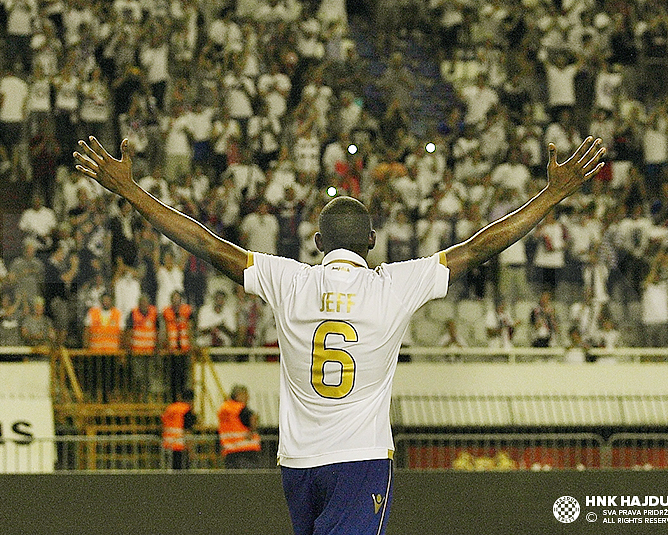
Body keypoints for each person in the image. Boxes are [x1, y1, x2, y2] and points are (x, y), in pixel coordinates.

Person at [74, 134, 604, 535]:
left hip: (298, 466)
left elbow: (208, 245)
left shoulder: (288, 280)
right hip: (361, 461)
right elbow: (479, 245)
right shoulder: (394, 285)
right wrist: (551, 196)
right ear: (373, 242)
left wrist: (130, 190)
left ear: (316, 240)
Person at [217, 384, 262, 469]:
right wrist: (252, 431)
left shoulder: (223, 408)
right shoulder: (239, 407)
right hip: (246, 449)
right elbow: (253, 417)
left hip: (229, 450)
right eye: (246, 395)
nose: (248, 398)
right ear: (239, 395)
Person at [161, 389, 196, 470]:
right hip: (180, 448)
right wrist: (191, 451)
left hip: (168, 446)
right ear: (191, 400)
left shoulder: (170, 408)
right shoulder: (186, 410)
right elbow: (187, 432)